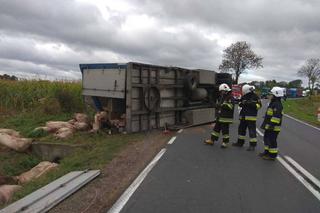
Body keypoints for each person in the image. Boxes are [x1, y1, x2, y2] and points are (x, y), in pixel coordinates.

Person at [232, 84, 262, 151]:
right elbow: (240, 104)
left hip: (251, 117)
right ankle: (240, 143)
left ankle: (252, 146)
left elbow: (259, 106)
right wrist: (242, 103)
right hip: (243, 116)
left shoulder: (255, 97)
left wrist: (251, 103)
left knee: (252, 132)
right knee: (241, 130)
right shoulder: (244, 96)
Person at [204, 83, 234, 148]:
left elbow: (230, 106)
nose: (221, 92)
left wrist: (221, 105)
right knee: (216, 129)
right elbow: (220, 105)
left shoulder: (230, 97)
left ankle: (225, 143)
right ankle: (212, 140)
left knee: (225, 131)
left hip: (226, 117)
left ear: (225, 90)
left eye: (222, 91)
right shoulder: (223, 96)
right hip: (220, 116)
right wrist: (215, 105)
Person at [259, 87, 284, 160]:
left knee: (272, 141)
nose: (269, 95)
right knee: (266, 139)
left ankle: (272, 155)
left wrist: (271, 125)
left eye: (271, 94)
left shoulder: (277, 105)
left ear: (275, 95)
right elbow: (271, 114)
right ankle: (267, 152)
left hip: (273, 127)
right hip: (269, 125)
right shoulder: (273, 103)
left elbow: (276, 117)